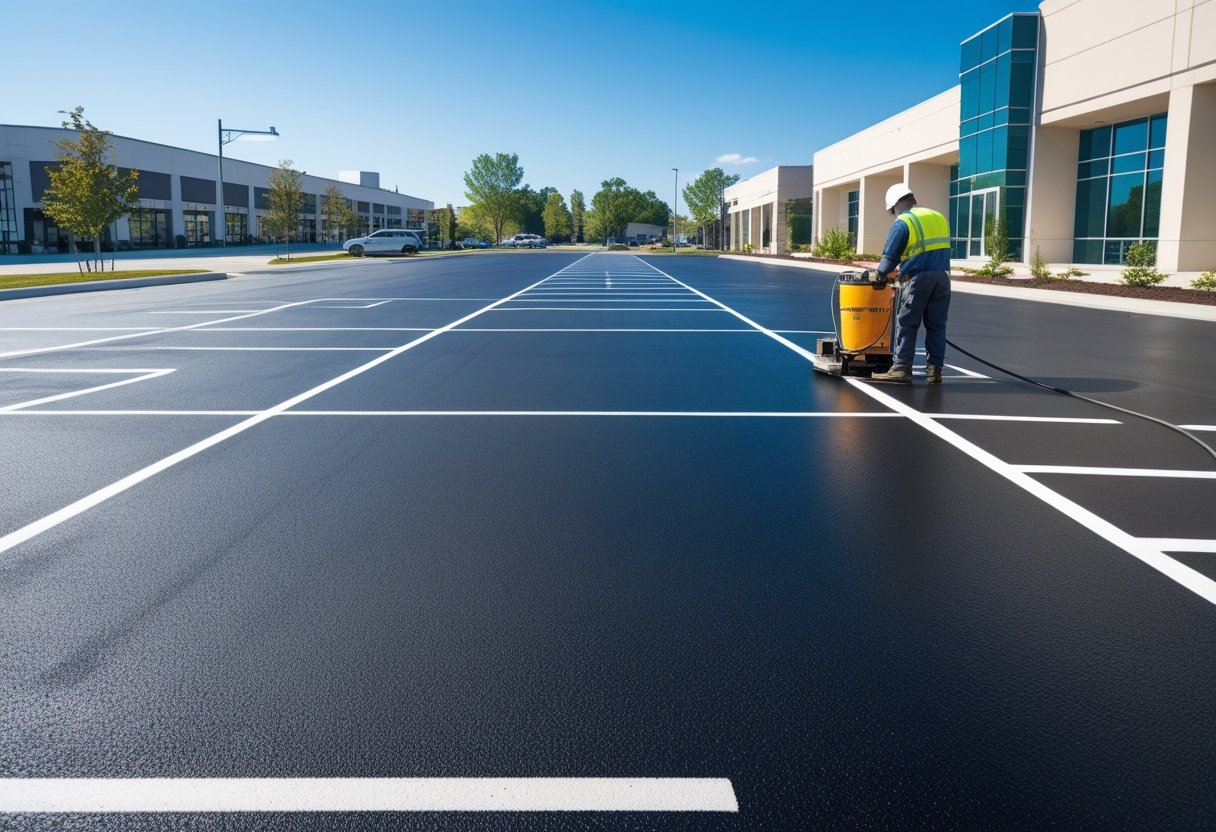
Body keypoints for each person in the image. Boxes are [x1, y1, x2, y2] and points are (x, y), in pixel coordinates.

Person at [870, 183, 952, 383]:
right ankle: (934, 371)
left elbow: (890, 257)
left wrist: (879, 275)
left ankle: (901, 368)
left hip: (918, 280)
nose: (893, 214)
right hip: (942, 278)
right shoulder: (938, 216)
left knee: (907, 323)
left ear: (897, 204)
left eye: (892, 210)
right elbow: (928, 250)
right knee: (937, 326)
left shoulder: (904, 221)